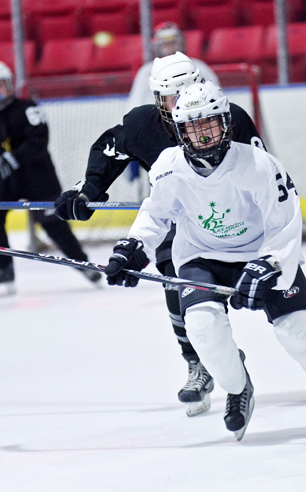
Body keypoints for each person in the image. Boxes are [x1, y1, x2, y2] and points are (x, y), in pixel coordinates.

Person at [103, 81, 306, 441]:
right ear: (179, 129)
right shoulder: (168, 167)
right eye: (192, 126)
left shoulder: (258, 164)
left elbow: (284, 222)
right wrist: (132, 247)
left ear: (225, 122)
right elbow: (156, 215)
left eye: (210, 123)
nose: (202, 134)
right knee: (201, 326)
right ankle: (238, 389)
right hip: (202, 256)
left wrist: (269, 264)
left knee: (300, 333)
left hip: (261, 253)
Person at [55, 52, 266, 417]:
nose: (183, 101)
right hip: (181, 221)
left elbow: (263, 173)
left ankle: (226, 356)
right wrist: (88, 190)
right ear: (158, 101)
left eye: (189, 90)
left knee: (272, 304)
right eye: (172, 97)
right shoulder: (142, 125)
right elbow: (112, 150)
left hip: (233, 221)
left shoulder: (230, 118)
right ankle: (199, 363)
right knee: (179, 287)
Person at [0, 61, 101, 295]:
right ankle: (3, 269)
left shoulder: (28, 109)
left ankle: (81, 262)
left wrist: (12, 159)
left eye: (0, 86)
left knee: (53, 223)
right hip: (7, 178)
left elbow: (38, 142)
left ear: (10, 86)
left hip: (39, 175)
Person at [127, 22, 219, 112]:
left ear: (182, 43)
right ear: (157, 46)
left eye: (173, 43)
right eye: (166, 45)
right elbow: (135, 104)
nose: (170, 48)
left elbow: (217, 98)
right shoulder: (147, 72)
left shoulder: (199, 67)